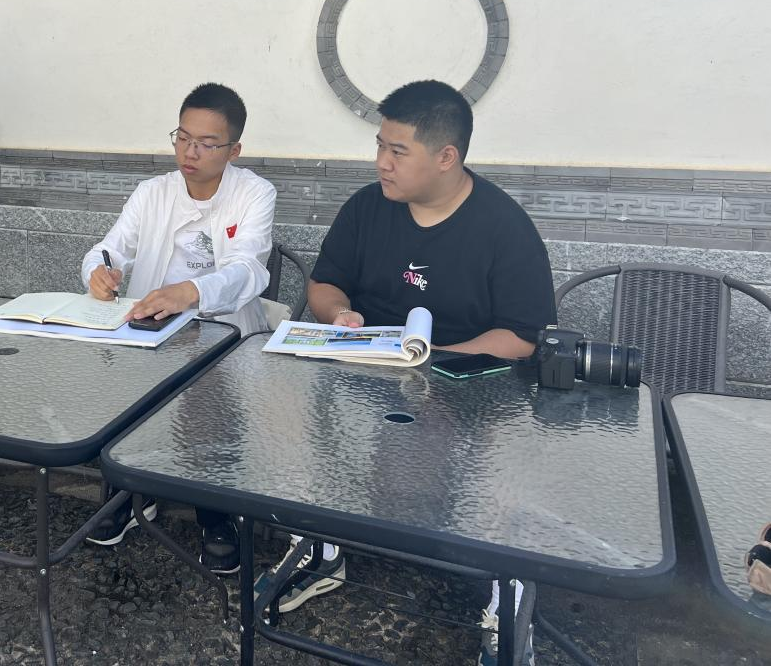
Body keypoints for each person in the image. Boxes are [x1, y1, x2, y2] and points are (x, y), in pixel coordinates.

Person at [290, 79, 556, 663]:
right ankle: (317, 549)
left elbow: (522, 336)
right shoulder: (367, 208)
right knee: (291, 418)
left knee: (510, 467)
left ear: (445, 157)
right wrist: (339, 315)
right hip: (366, 375)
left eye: (397, 151)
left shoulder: (502, 226)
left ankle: (507, 599)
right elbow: (325, 283)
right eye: (379, 146)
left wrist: (439, 361)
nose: (381, 163)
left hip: (474, 389)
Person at [80, 83, 276, 575]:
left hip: (225, 330)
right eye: (183, 138)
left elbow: (249, 269)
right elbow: (107, 249)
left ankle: (214, 512)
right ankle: (129, 492)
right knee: (117, 385)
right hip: (152, 328)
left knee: (209, 396)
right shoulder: (153, 192)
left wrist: (190, 292)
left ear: (234, 149)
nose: (190, 152)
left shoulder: (254, 193)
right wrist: (98, 273)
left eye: (207, 143)